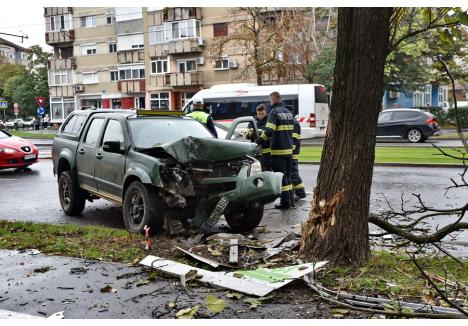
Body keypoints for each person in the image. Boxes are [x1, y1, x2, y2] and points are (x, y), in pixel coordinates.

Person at [256, 91, 294, 209]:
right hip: (289, 150)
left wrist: (258, 141)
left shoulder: (274, 112)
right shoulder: (288, 113)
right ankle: (290, 200)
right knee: (288, 176)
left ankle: (285, 202)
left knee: (281, 177)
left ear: (273, 100)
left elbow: (269, 131)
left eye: (270, 100)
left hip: (278, 151)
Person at [245, 104, 271, 171]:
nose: (261, 116)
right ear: (256, 112)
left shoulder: (270, 120)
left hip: (267, 153)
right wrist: (250, 134)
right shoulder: (253, 121)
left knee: (266, 170)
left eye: (262, 114)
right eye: (259, 114)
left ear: (266, 112)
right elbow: (246, 134)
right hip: (256, 152)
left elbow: (270, 133)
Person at [291, 115, 306, 200]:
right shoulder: (293, 122)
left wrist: (291, 150)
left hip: (293, 153)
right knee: (291, 173)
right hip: (292, 152)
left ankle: (301, 193)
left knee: (293, 173)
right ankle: (295, 192)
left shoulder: (294, 123)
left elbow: (294, 139)